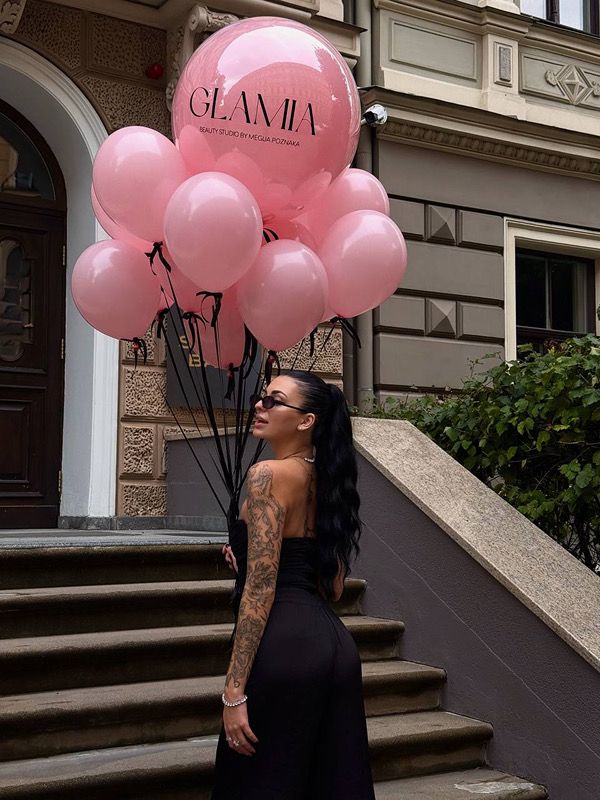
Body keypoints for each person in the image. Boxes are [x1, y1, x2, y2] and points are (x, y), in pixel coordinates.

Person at [211, 370, 376, 800]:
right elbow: (333, 586)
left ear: (306, 421)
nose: (259, 406)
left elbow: (260, 589)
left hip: (284, 647)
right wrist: (246, 556)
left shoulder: (267, 474)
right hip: (334, 647)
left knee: (260, 783)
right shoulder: (327, 477)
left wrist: (233, 692)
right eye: (261, 397)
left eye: (274, 400)